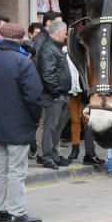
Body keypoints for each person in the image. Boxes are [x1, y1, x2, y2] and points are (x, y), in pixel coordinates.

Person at [0, 22, 44, 222]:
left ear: (1, 38)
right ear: (21, 39)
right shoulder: (23, 63)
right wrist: (33, 119)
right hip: (19, 125)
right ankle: (17, 212)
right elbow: (34, 96)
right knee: (16, 171)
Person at [36, 20, 73, 169]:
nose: (65, 37)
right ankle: (48, 157)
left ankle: (54, 155)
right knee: (50, 127)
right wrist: (56, 93)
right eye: (65, 33)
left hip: (60, 95)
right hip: (53, 96)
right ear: (58, 33)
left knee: (57, 128)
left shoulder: (55, 48)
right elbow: (48, 74)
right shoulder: (49, 49)